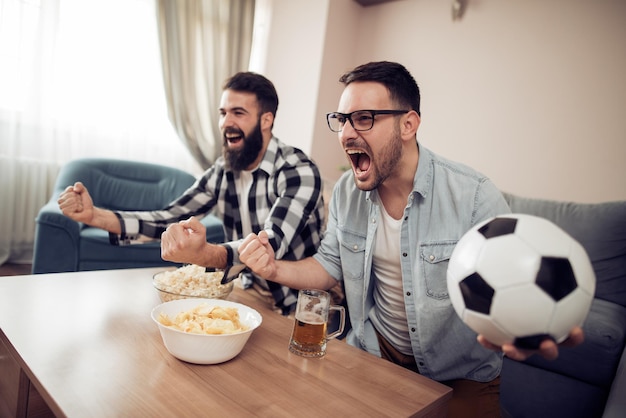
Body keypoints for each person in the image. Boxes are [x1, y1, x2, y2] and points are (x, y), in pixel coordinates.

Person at [238, 61, 584, 417]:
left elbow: (516, 283)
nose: (346, 133)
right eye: (341, 120)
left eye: (364, 118)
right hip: (374, 354)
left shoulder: (474, 196)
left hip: (460, 377)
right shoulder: (345, 192)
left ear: (408, 124)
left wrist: (533, 323)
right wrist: (273, 268)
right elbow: (329, 265)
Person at [58, 71, 325, 315]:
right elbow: (169, 217)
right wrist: (94, 216)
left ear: (266, 120)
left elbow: (268, 247)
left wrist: (204, 254)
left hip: (297, 305)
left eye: (238, 113)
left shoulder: (297, 170)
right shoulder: (224, 170)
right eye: (223, 113)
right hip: (247, 290)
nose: (226, 123)